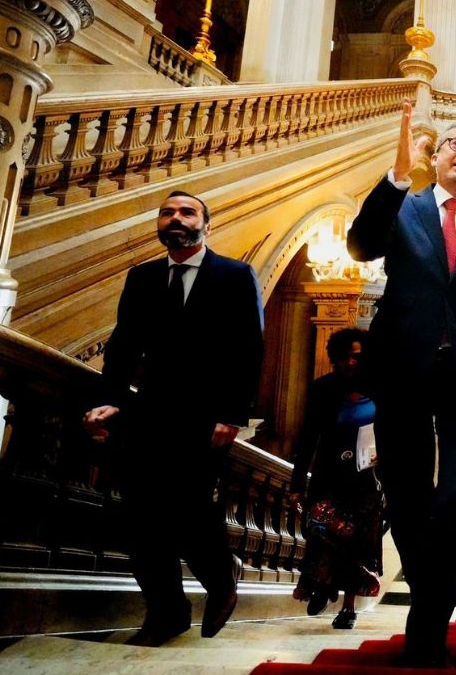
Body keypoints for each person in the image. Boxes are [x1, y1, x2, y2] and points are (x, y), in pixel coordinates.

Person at [347, 101, 456, 666]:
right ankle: (430, 610)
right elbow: (360, 245)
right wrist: (395, 177)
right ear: (437, 155)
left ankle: (428, 621)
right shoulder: (406, 208)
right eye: (455, 144)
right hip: (403, 370)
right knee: (405, 492)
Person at [83, 191, 264, 647]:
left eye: (186, 212)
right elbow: (123, 346)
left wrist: (233, 414)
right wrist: (111, 399)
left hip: (205, 419)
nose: (175, 219)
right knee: (142, 521)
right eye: (167, 213)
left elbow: (249, 350)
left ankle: (222, 581)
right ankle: (166, 613)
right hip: (149, 413)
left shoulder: (236, 275)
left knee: (191, 512)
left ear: (207, 223)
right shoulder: (142, 277)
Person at [288, 327, 383, 630]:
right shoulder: (324, 389)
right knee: (321, 530)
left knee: (355, 545)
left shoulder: (381, 389)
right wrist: (297, 484)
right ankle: (323, 584)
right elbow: (307, 438)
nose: (351, 363)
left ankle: (348, 608)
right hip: (329, 476)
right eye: (344, 358)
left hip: (366, 482)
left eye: (357, 357)